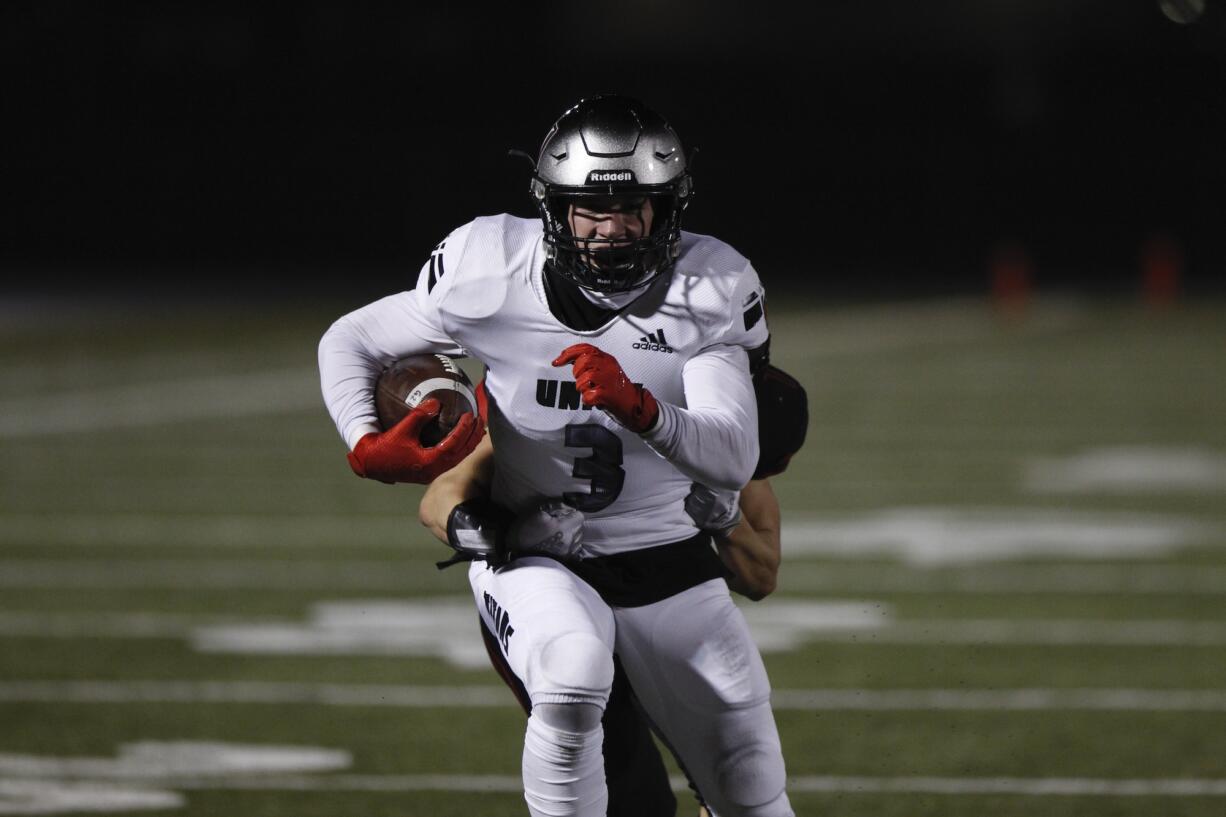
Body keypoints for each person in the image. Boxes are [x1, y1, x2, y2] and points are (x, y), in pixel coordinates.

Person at [319, 94, 794, 816]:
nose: (610, 230)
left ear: (668, 210)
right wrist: (363, 441)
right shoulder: (488, 268)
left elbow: (732, 451)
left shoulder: (711, 284)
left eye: (634, 207)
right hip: (537, 549)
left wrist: (643, 408)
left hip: (667, 553)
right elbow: (349, 339)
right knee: (573, 672)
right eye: (589, 209)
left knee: (751, 778)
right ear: (553, 208)